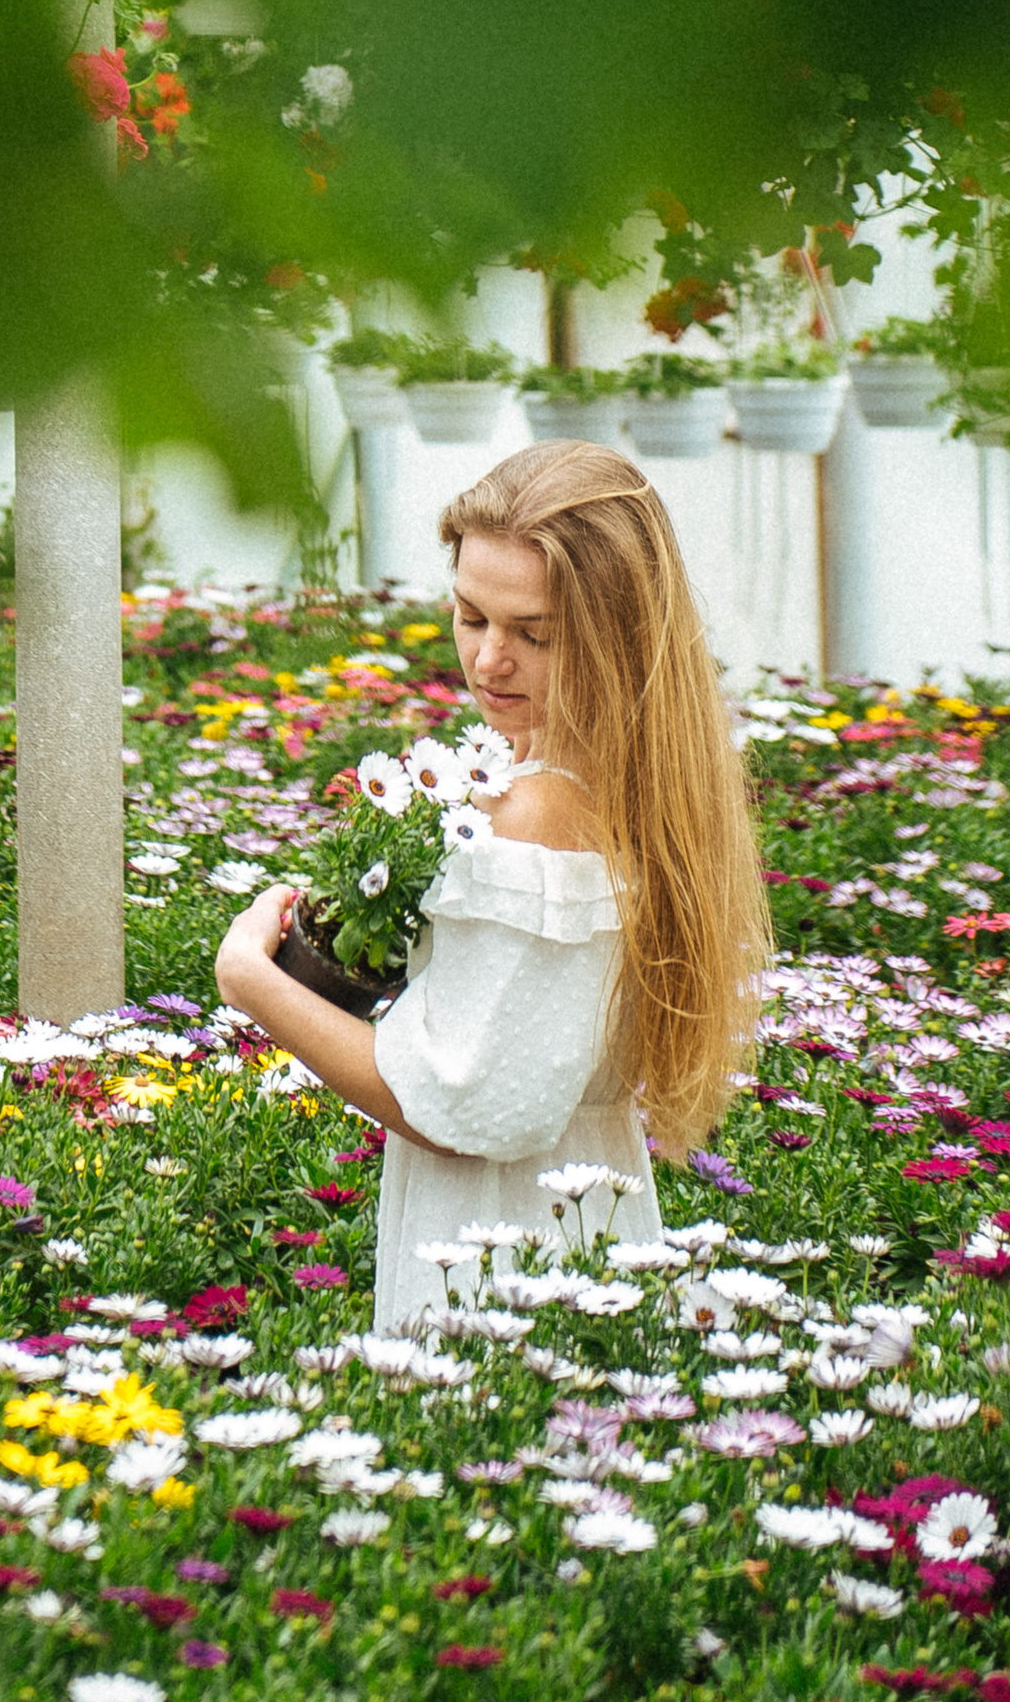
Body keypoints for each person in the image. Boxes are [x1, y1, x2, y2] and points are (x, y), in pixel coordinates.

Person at [213, 440, 770, 1330]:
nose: (489, 660)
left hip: (501, 1263)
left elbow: (451, 1108)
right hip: (581, 1224)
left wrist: (250, 979)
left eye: (534, 634)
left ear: (616, 639)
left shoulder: (537, 815)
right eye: (472, 617)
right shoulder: (629, 779)